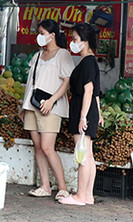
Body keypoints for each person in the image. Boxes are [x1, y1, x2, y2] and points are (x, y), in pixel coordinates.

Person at [21, 19, 73, 201]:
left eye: (42, 33)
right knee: (37, 146)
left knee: (47, 147)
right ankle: (45, 186)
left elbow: (67, 81)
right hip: (32, 105)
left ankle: (63, 187)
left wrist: (51, 101)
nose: (39, 36)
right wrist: (24, 105)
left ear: (52, 35)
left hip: (51, 107)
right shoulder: (37, 56)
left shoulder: (63, 55)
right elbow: (31, 82)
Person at [59, 22, 103, 206]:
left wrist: (83, 117)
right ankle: (88, 195)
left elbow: (89, 90)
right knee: (88, 155)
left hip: (82, 110)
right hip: (89, 110)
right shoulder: (90, 61)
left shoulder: (87, 62)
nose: (73, 42)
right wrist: (97, 114)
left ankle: (79, 196)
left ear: (84, 41)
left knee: (82, 156)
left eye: (75, 39)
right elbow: (96, 93)